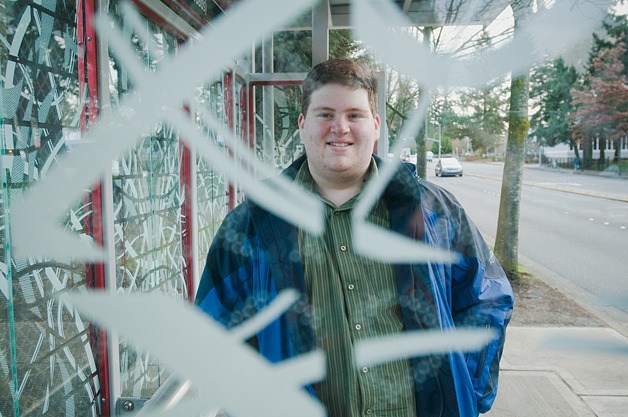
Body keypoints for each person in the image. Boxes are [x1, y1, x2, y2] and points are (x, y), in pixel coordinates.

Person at [195, 58, 514, 417]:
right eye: (325, 114)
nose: (340, 127)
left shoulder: (434, 212)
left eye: (355, 115)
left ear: (375, 126)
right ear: (302, 125)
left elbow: (487, 298)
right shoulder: (254, 223)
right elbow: (214, 330)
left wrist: (466, 390)